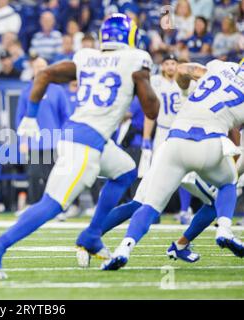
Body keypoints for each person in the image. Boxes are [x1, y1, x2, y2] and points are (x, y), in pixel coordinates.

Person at [0, 14, 159, 280]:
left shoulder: (87, 56)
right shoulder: (136, 59)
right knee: (52, 204)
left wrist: (30, 116)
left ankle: (93, 233)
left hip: (82, 135)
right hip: (86, 143)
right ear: (130, 36)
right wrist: (142, 79)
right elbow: (152, 110)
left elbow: (46, 74)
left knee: (126, 172)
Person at [102, 58, 244, 270]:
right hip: (209, 142)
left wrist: (185, 90)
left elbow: (183, 70)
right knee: (228, 184)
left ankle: (124, 247)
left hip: (173, 142)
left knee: (148, 205)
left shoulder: (218, 66)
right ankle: (224, 228)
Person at [139, 54, 193, 224]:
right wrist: (146, 137)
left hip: (181, 130)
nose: (170, 66)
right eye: (167, 63)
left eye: (173, 63)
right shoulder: (155, 82)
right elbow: (150, 112)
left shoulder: (186, 82)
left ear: (178, 66)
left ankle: (185, 210)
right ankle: (155, 210)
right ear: (162, 66)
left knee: (187, 173)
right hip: (162, 132)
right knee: (156, 172)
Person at [15, 57, 71, 209]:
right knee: (33, 175)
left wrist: (65, 138)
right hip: (33, 142)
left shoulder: (57, 90)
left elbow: (66, 116)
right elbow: (21, 118)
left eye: (42, 67)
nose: (39, 69)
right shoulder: (26, 91)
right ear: (32, 69)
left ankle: (55, 208)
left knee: (52, 177)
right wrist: (23, 141)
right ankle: (33, 206)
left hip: (53, 141)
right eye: (37, 67)